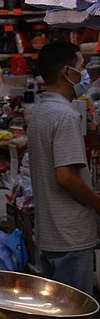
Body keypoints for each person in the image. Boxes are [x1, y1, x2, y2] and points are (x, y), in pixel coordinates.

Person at [28, 41, 97, 295]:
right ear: (66, 73)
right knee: (74, 315)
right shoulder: (64, 116)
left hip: (50, 233)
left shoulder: (41, 112)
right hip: (71, 236)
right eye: (81, 66)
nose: (85, 73)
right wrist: (97, 202)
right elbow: (65, 177)